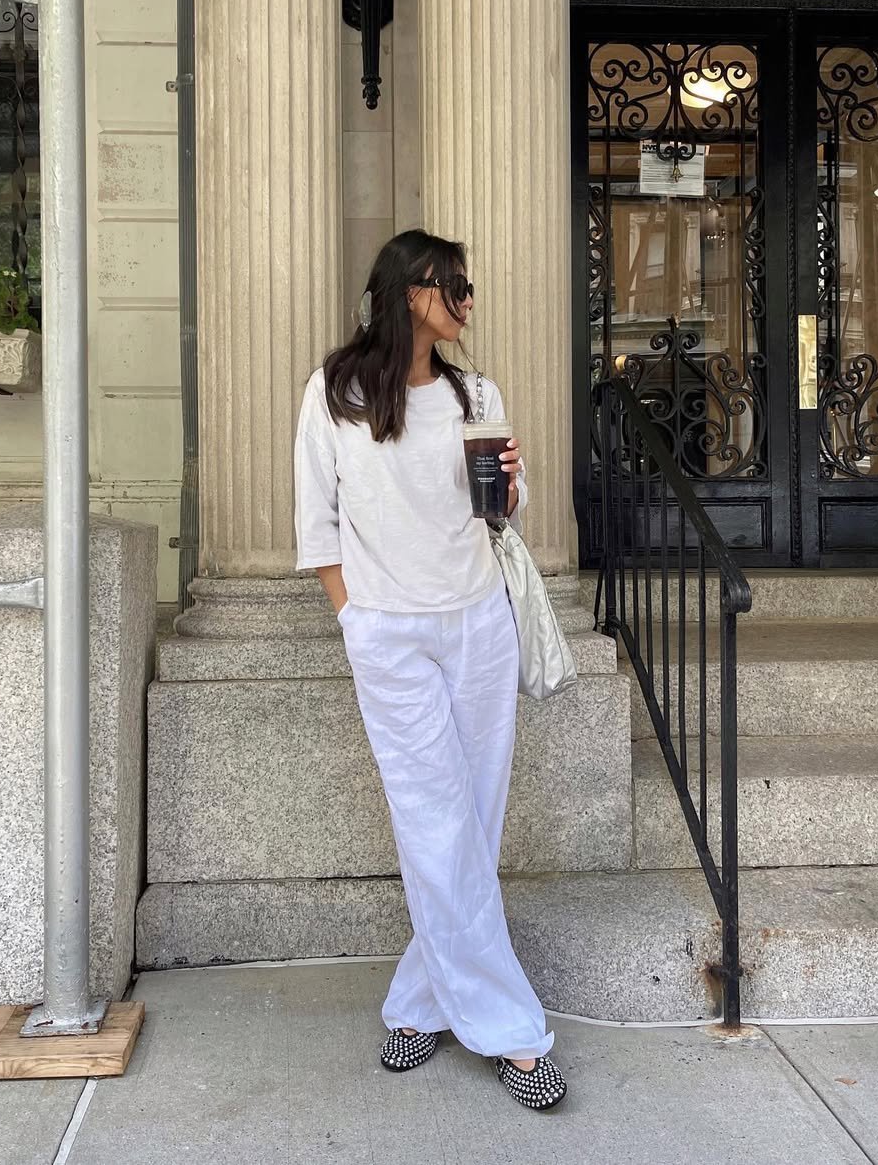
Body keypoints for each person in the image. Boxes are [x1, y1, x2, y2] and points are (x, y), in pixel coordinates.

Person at [293, 229, 567, 1112]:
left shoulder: (474, 392)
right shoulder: (334, 392)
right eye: (457, 285)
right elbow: (318, 522)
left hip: (479, 621)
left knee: (472, 820)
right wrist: (356, 622)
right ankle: (514, 1034)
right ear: (413, 292)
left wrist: (514, 482)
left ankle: (420, 1000)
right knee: (432, 821)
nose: (468, 300)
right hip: (391, 635)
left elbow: (496, 509)